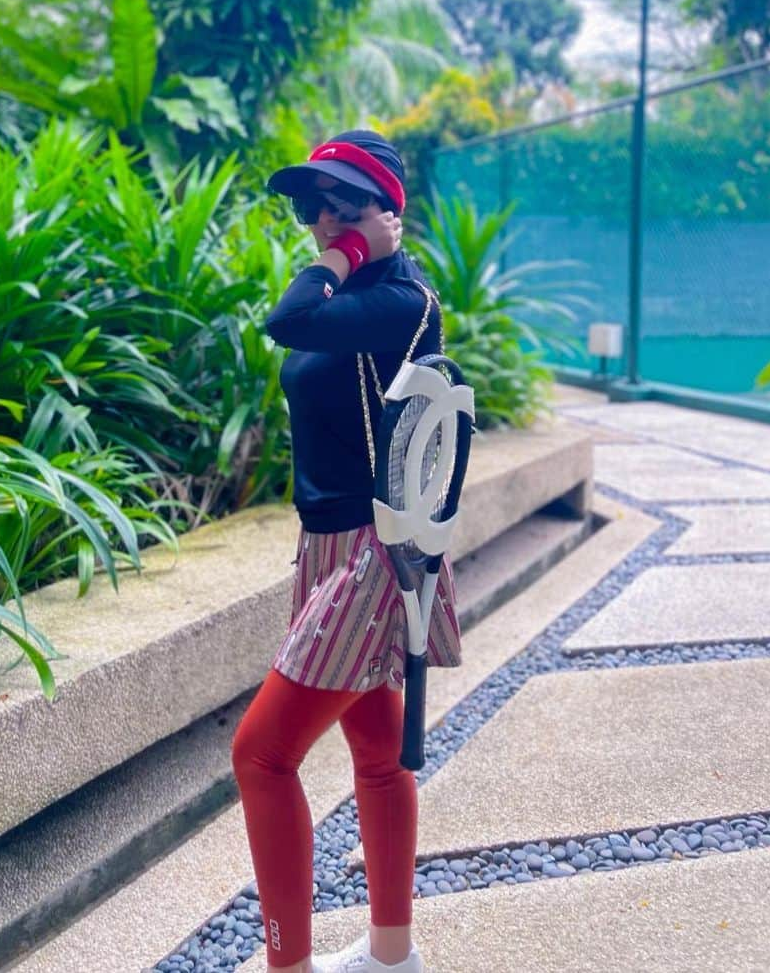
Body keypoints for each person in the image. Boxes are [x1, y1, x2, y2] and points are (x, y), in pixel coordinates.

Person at [231, 130, 461, 973]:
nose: (323, 220)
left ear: (386, 212)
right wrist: (348, 246)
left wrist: (357, 248)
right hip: (326, 546)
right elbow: (302, 328)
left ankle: (287, 967)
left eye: (345, 204)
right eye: (312, 204)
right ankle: (391, 958)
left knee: (260, 755)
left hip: (375, 548)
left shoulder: (400, 302)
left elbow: (287, 320)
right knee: (374, 748)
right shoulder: (353, 298)